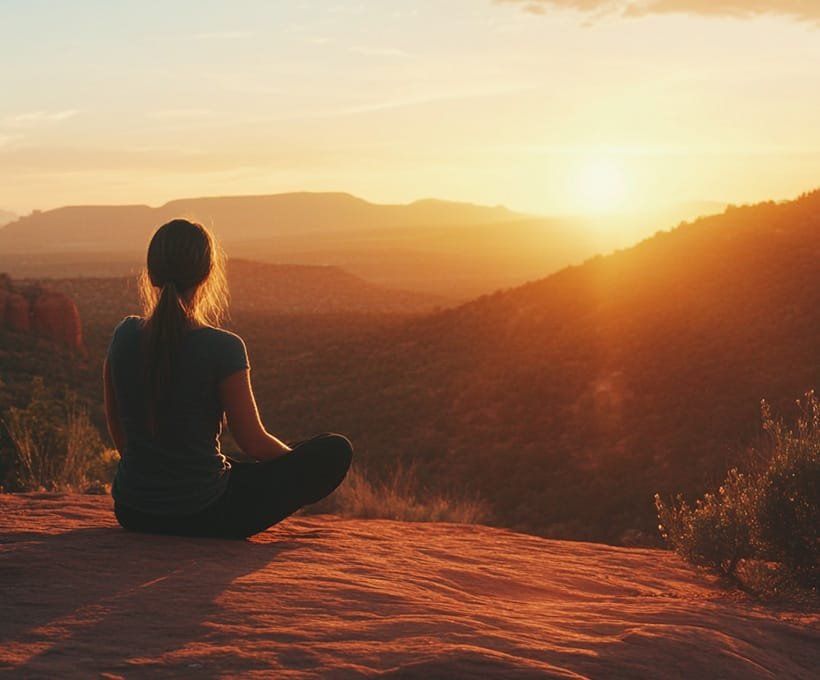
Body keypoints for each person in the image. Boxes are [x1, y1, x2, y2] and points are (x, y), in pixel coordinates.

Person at [103, 218, 352, 538]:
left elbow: (115, 420)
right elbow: (253, 442)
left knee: (239, 465)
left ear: (151, 274)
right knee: (333, 449)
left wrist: (151, 477)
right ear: (207, 275)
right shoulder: (223, 347)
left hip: (133, 510)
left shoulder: (123, 335)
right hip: (206, 513)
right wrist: (295, 465)